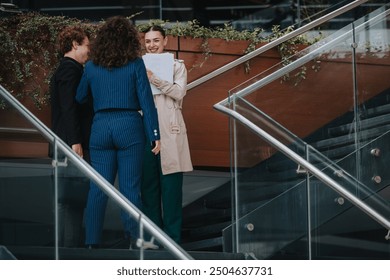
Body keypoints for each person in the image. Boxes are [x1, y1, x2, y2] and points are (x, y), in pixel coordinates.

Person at [76, 16, 160, 249]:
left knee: (98, 188)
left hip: (101, 126)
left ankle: (91, 241)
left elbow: (80, 96)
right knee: (130, 188)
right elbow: (147, 102)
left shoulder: (91, 66)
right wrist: (155, 134)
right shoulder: (135, 64)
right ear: (128, 40)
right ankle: (135, 239)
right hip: (129, 126)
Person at [141, 25, 193, 246]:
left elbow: (179, 92)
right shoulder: (137, 66)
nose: (152, 45)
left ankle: (172, 241)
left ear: (165, 41)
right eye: (148, 41)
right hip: (145, 132)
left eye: (156, 40)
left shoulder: (176, 66)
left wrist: (154, 79)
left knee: (171, 191)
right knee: (149, 189)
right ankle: (153, 239)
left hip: (170, 132)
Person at [50, 25, 92, 247]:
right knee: (71, 201)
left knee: (67, 200)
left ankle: (67, 249)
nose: (88, 51)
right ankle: (69, 251)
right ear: (75, 44)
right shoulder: (70, 69)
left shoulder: (66, 69)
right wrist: (76, 142)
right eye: (86, 45)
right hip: (70, 145)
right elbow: (69, 108)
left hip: (66, 144)